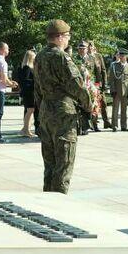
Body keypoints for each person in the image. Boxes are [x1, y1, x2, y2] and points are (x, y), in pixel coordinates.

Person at [34, 20, 94, 193]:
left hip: (46, 112)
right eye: (67, 36)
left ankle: (46, 200)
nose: (68, 39)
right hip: (63, 114)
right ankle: (58, 205)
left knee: (50, 165)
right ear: (59, 37)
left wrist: (42, 109)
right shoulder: (61, 57)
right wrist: (88, 105)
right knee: (64, 164)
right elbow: (76, 84)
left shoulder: (39, 56)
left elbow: (37, 89)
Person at [108, 49, 128, 132]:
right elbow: (111, 79)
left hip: (125, 91)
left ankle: (124, 126)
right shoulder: (114, 66)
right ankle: (114, 126)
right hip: (116, 90)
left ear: (126, 56)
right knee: (115, 109)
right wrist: (112, 90)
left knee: (124, 109)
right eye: (120, 55)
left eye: (123, 56)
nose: (122, 57)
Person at [17, 49, 38, 137]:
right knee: (30, 111)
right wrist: (35, 82)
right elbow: (26, 81)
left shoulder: (21, 67)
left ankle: (25, 129)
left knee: (29, 111)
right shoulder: (27, 68)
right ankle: (26, 130)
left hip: (27, 92)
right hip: (29, 92)